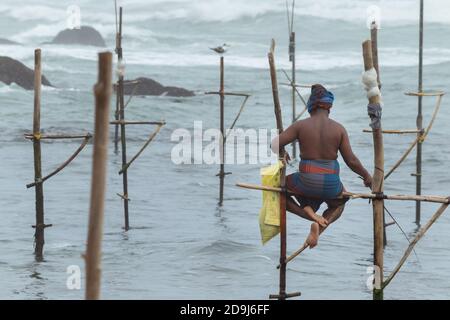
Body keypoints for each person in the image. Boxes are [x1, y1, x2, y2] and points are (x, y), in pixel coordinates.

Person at [271, 84, 372, 248]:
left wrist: (282, 152)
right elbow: (351, 160)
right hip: (331, 184)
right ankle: (320, 223)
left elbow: (275, 144)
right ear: (329, 108)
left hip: (306, 181)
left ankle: (311, 216)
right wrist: (367, 176)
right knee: (340, 202)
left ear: (310, 107)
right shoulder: (339, 129)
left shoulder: (301, 125)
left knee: (276, 188)